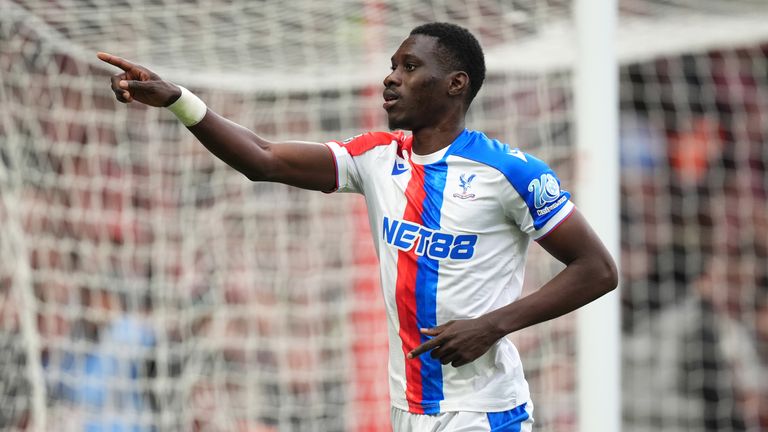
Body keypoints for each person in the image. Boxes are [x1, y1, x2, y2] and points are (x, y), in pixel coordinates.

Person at [98, 22, 617, 432]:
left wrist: (492, 325)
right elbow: (263, 159)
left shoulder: (511, 172)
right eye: (392, 66)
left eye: (410, 67)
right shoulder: (375, 157)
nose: (391, 78)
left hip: (483, 410)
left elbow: (597, 269)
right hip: (406, 407)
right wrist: (177, 100)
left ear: (456, 84)